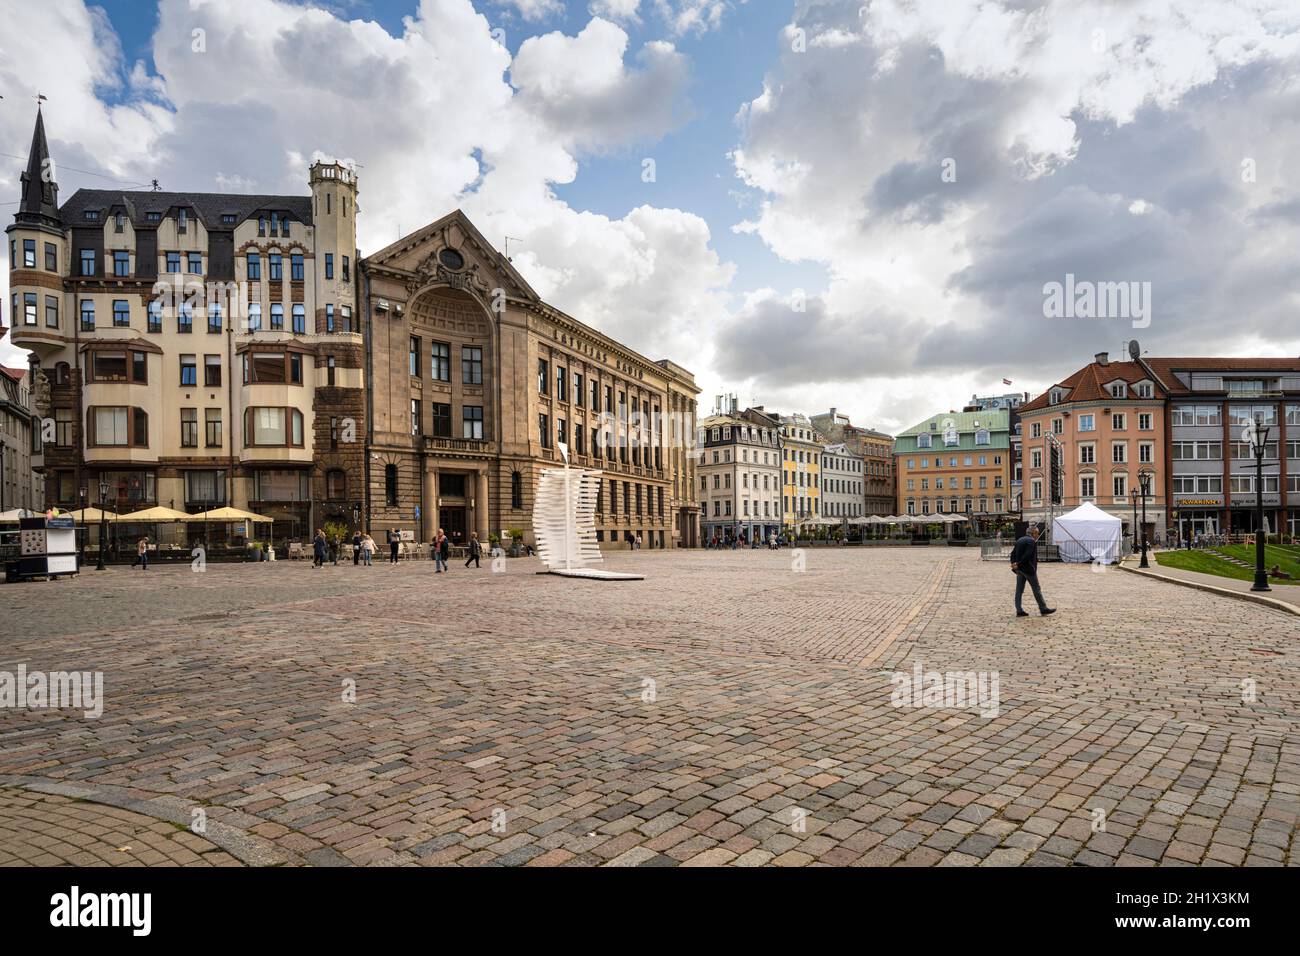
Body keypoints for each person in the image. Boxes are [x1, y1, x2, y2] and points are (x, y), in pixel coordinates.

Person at [1010, 525, 1055, 617]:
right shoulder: (1031, 541)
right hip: (1028, 570)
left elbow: (1012, 553)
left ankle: (1019, 609)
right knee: (1036, 589)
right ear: (1033, 533)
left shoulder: (1020, 540)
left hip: (1019, 570)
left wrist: (1014, 563)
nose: (1038, 535)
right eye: (1037, 533)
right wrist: (1018, 563)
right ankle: (1043, 608)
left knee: (1019, 590)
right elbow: (1027, 555)